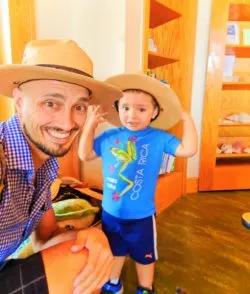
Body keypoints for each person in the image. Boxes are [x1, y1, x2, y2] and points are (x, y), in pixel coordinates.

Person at [0, 39, 123, 294]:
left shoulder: (45, 167)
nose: (68, 123)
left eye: (78, 107)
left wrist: (93, 236)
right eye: (51, 103)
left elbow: (45, 237)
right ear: (19, 103)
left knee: (86, 254)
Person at [78, 73, 198, 294]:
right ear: (117, 108)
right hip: (110, 213)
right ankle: (113, 283)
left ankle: (145, 287)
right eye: (125, 108)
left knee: (145, 256)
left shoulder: (159, 138)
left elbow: (189, 150)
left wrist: (187, 119)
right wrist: (90, 126)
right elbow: (85, 154)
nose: (131, 115)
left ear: (154, 112)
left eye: (141, 109)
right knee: (115, 250)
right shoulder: (110, 136)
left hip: (141, 216)